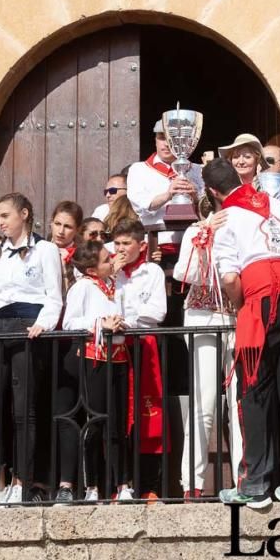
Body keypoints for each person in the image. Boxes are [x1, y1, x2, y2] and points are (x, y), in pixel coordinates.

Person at [206, 157, 280, 509]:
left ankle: (255, 484)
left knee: (253, 390)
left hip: (263, 302)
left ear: (212, 191)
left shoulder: (226, 219)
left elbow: (228, 278)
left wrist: (240, 305)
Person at [0, 193, 62, 505]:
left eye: (5, 215)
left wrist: (44, 324)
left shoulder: (46, 249)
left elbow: (54, 295)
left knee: (25, 410)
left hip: (29, 328)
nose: (0, 222)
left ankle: (21, 481)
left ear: (24, 214)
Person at [172, 196, 241, 499]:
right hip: (204, 315)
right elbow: (183, 274)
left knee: (240, 403)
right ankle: (192, 483)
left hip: (240, 317)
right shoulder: (195, 231)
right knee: (205, 401)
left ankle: (244, 478)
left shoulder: (243, 228)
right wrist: (206, 235)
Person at [57, 241, 129, 502]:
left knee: (118, 425)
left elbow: (128, 313)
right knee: (96, 422)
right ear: (91, 269)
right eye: (107, 259)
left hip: (119, 358)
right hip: (94, 359)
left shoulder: (115, 285)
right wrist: (100, 323)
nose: (113, 260)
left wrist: (121, 321)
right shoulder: (82, 288)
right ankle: (92, 486)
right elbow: (69, 323)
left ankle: (123, 485)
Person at [112, 218, 167, 499]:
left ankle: (149, 485)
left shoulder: (153, 272)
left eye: (126, 244)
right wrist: (111, 278)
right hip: (115, 346)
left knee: (149, 415)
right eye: (117, 243)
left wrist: (128, 319)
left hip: (144, 343)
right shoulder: (109, 272)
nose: (120, 249)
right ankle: (117, 484)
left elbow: (157, 312)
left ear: (141, 246)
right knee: (117, 414)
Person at [125, 120, 202, 253]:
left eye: (172, 139)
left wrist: (195, 196)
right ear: (155, 140)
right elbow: (140, 206)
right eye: (161, 138)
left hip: (194, 245)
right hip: (156, 244)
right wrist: (168, 195)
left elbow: (209, 208)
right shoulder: (139, 169)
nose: (166, 144)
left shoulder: (197, 169)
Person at [49, 200, 84, 287]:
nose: (61, 231)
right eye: (57, 224)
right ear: (51, 223)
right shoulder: (38, 249)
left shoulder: (82, 256)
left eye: (67, 226)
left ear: (78, 229)